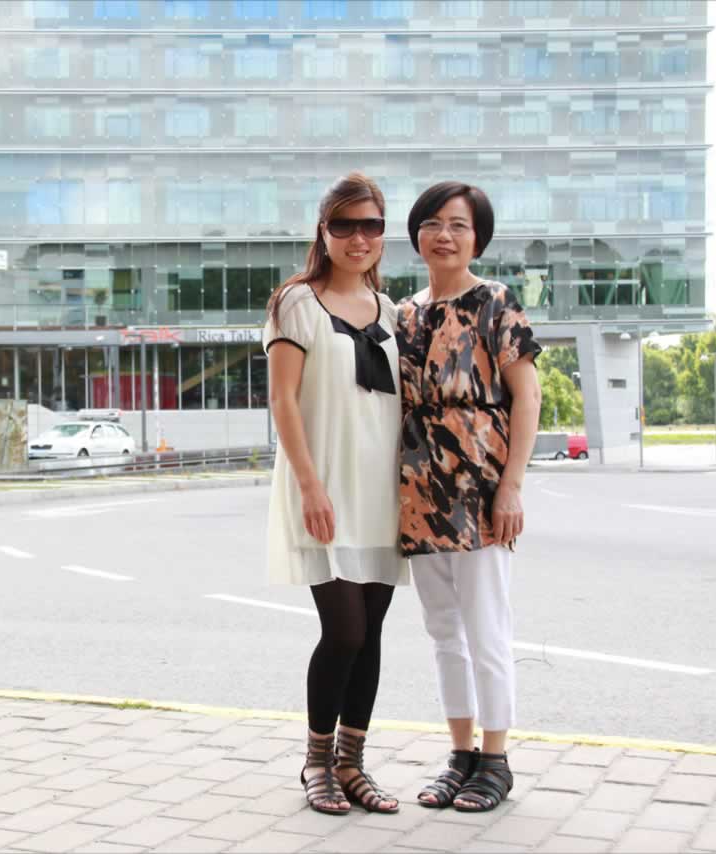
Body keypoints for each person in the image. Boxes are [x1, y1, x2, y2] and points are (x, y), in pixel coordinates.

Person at [263, 172, 410, 816]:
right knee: (344, 630)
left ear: (383, 234)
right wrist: (309, 485)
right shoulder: (296, 302)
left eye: (370, 225)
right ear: (323, 231)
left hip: (383, 491)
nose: (358, 238)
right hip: (325, 487)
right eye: (344, 225)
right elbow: (283, 400)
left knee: (371, 632)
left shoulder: (394, 313)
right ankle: (317, 762)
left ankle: (352, 763)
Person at [396, 182, 542, 812]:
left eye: (458, 224)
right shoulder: (404, 313)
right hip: (419, 490)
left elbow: (528, 395)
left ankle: (496, 760)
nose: (444, 235)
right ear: (417, 236)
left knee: (488, 630)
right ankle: (459, 754)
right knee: (443, 631)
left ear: (477, 237)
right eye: (432, 223)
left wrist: (512, 485)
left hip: (480, 488)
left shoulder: (495, 302)